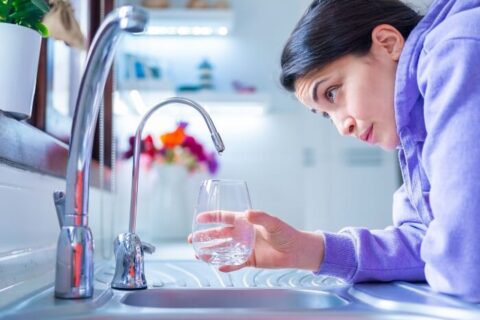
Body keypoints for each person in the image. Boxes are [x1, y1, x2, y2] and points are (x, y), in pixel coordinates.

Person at [189, 0, 480, 302]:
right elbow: (425, 242)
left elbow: (465, 264)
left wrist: (444, 255)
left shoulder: (457, 51)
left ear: (388, 43)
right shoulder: (415, 124)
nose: (343, 128)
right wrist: (305, 249)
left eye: (332, 92)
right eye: (327, 115)